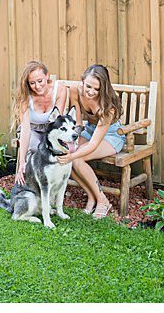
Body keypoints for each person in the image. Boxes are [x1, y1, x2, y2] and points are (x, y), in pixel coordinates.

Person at [57, 64, 125, 219]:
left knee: (77, 158)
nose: (91, 92)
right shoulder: (75, 90)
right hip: (89, 130)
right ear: (82, 81)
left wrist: (73, 155)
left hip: (111, 135)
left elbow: (94, 144)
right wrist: (72, 146)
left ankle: (103, 201)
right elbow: (79, 122)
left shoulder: (108, 107)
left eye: (97, 89)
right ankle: (91, 196)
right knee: (70, 153)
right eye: (88, 86)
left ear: (104, 88)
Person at [10, 60, 68, 186]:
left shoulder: (59, 90)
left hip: (51, 130)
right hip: (32, 130)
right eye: (32, 83)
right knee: (37, 148)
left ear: (47, 76)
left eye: (40, 81)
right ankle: (33, 184)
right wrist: (21, 163)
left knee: (53, 150)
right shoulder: (25, 96)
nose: (37, 86)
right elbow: (26, 131)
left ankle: (51, 185)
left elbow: (57, 123)